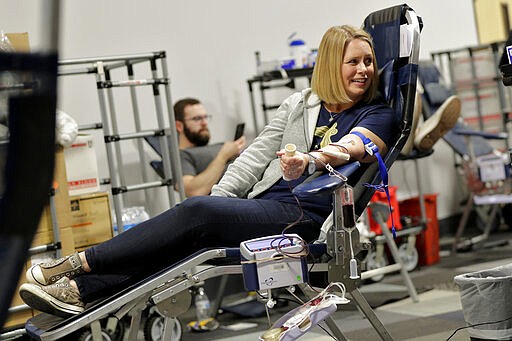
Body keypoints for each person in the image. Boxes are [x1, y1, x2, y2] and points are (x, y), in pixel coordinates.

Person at [19, 24, 400, 317]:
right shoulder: (300, 104)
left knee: (196, 211)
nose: (364, 70)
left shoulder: (377, 113)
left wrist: (313, 159)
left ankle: (77, 263)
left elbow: (355, 146)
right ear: (333, 65)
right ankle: (80, 291)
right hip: (269, 207)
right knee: (192, 232)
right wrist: (224, 203)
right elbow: (252, 158)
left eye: (368, 61)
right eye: (354, 61)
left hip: (306, 218)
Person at [173, 98, 246, 197]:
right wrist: (223, 156)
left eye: (205, 117)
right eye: (197, 119)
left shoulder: (219, 146)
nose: (204, 123)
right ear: (179, 126)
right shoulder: (181, 156)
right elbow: (193, 191)